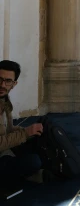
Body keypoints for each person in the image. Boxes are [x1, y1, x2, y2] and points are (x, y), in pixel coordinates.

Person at [0, 60, 43, 189]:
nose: (2, 85)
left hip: (5, 151)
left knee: (40, 140)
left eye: (8, 81)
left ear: (14, 84)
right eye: (0, 79)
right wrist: (25, 133)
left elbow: (8, 130)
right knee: (33, 161)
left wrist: (29, 132)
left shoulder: (4, 101)